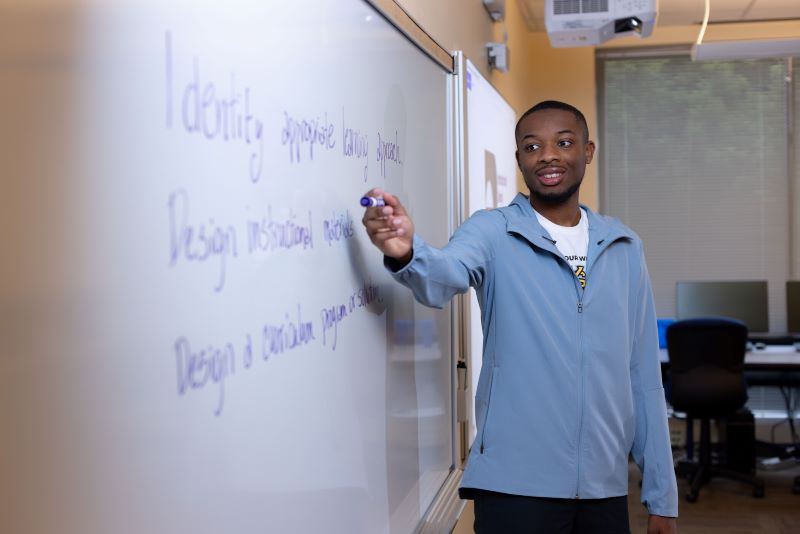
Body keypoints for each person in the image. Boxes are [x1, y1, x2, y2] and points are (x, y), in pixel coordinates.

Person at [361, 100, 678, 533]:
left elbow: (643, 376)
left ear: (587, 152)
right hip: (514, 488)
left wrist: (662, 496)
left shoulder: (623, 245)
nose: (548, 154)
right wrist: (407, 252)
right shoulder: (493, 231)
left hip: (604, 487)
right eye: (532, 146)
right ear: (519, 161)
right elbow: (443, 276)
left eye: (564, 142)